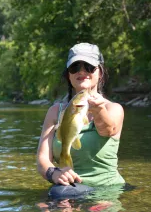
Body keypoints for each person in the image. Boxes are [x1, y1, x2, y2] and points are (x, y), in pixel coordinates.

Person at [36, 43, 125, 193]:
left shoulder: (113, 109)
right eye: (75, 67)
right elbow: (42, 159)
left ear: (100, 72)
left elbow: (107, 130)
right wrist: (54, 173)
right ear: (68, 74)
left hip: (106, 190)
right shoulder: (54, 112)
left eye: (89, 67)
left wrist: (99, 110)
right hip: (69, 190)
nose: (82, 71)